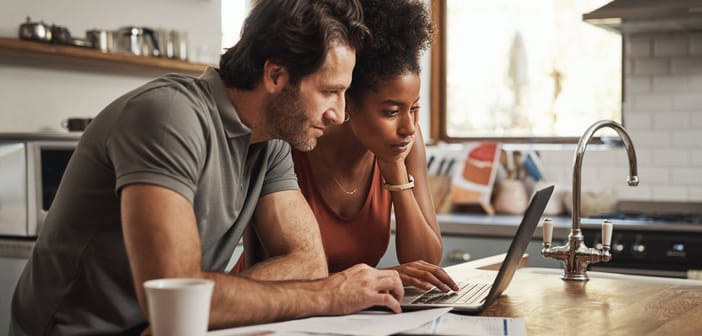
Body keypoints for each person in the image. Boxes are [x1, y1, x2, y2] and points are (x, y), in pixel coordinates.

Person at [10, 1, 405, 335]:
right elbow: (176, 297)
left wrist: (208, 299)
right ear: (275, 75)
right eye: (329, 91)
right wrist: (328, 295)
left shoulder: (270, 144)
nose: (338, 114)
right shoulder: (169, 115)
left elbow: (307, 262)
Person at [234, 0, 458, 293]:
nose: (408, 127)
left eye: (413, 108)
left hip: (350, 312)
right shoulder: (290, 142)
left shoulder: (405, 146)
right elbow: (270, 268)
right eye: (391, 111)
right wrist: (382, 277)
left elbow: (426, 262)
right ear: (347, 101)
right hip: (272, 308)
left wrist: (394, 171)